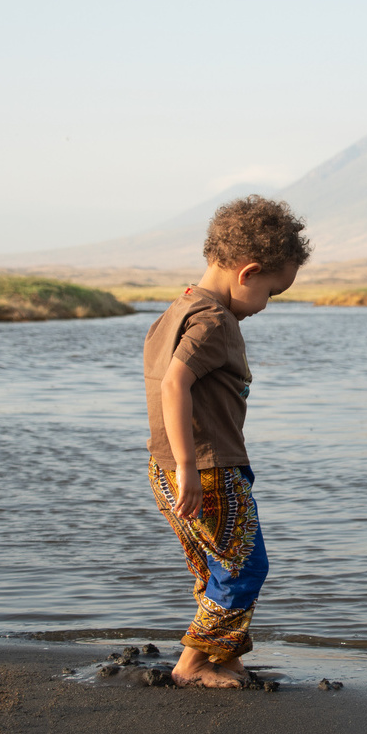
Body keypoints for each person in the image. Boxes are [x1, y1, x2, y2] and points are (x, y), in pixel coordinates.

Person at [143, 195, 311, 688]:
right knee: (244, 567)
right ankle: (194, 663)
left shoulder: (180, 308)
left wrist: (177, 465)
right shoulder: (214, 321)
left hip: (167, 466)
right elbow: (174, 384)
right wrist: (190, 467)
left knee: (217, 567)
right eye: (272, 292)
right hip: (206, 468)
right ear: (248, 271)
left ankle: (224, 655)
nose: (266, 306)